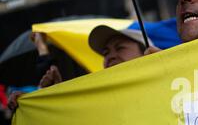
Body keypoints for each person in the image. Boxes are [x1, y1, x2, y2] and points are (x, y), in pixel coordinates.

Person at [8, 26, 156, 111]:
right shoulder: (98, 104)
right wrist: (45, 100)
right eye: (105, 53)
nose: (110, 56)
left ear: (146, 54)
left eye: (120, 48)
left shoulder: (171, 88)